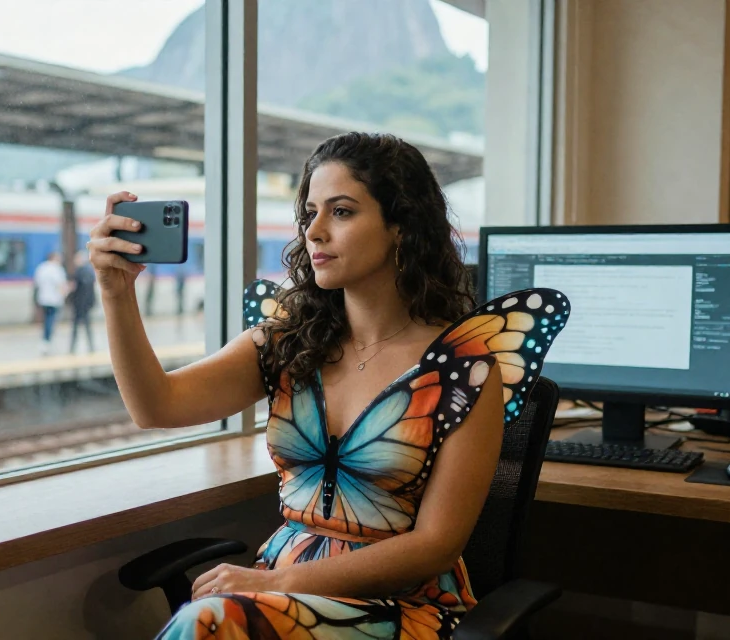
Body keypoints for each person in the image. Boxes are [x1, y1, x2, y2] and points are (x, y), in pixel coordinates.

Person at [87, 132, 521, 639]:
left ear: (401, 226)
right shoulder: (287, 343)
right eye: (309, 213)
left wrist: (279, 582)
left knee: (210, 621)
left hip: (401, 608)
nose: (313, 231)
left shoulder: (465, 370)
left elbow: (435, 546)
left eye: (340, 212)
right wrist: (115, 293)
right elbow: (155, 406)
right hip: (279, 597)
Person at [33, 251, 68, 353]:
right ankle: (47, 341)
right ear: (55, 258)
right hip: (54, 300)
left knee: (46, 320)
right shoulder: (57, 269)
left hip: (43, 299)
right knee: (51, 320)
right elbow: (61, 285)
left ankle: (45, 340)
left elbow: (37, 283)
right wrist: (65, 295)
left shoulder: (41, 267)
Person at [68, 251, 97, 353]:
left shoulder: (79, 272)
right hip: (87, 303)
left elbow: (75, 288)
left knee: (76, 326)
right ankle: (91, 346)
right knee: (87, 326)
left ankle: (72, 348)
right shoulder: (90, 271)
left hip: (79, 303)